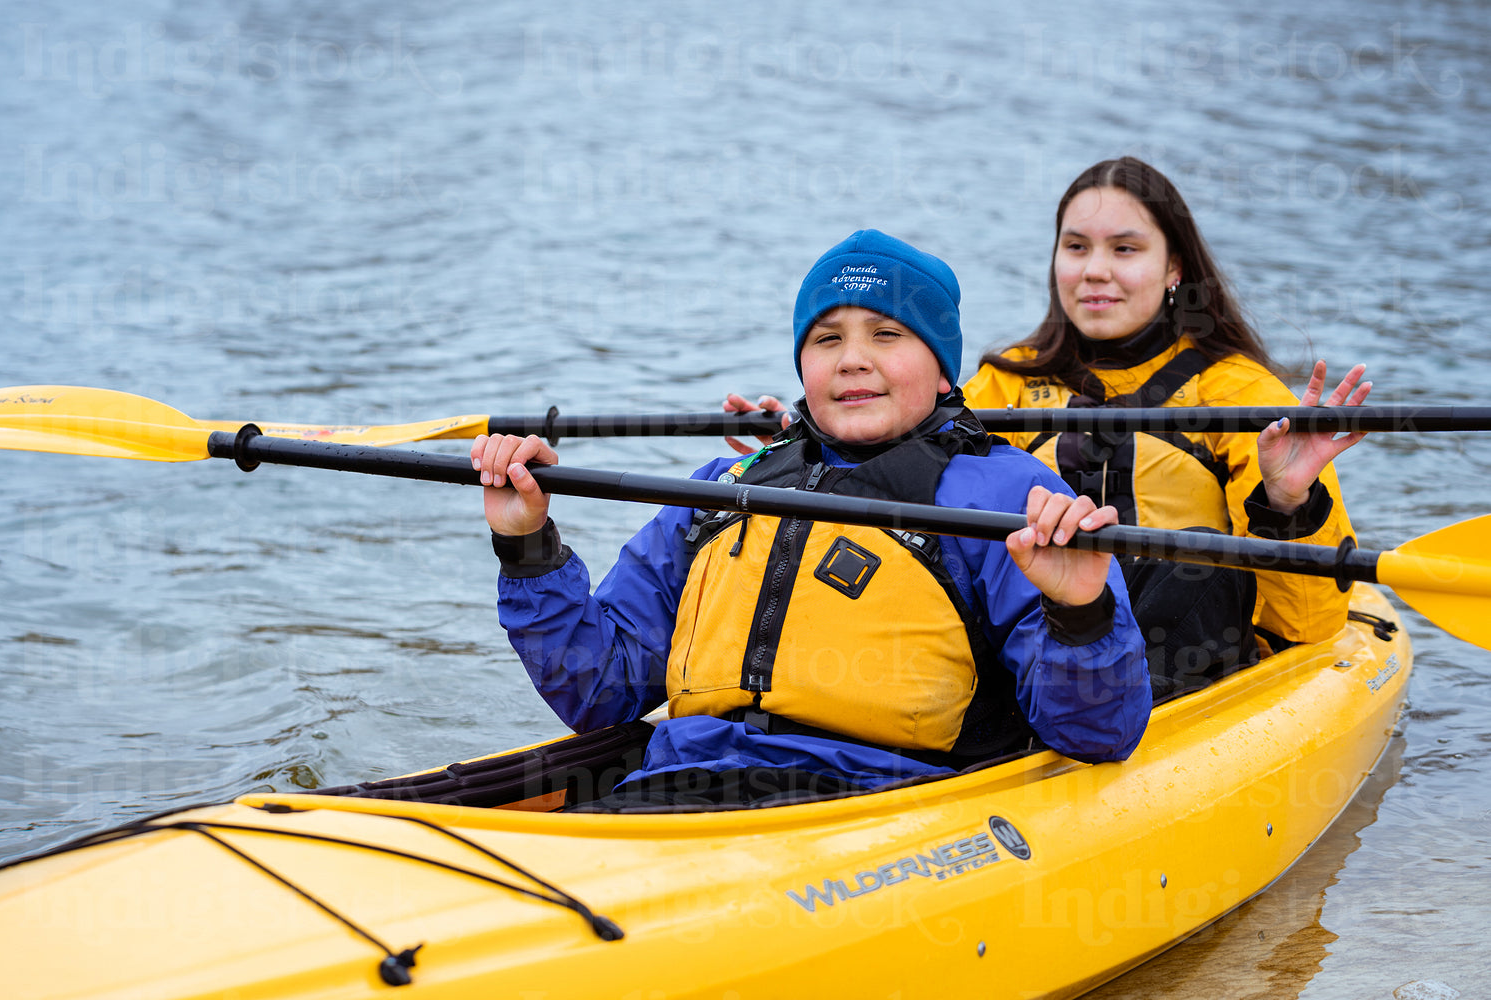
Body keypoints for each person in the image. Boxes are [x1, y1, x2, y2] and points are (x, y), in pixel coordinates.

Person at [476, 230, 1151, 810]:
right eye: (827, 338)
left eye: (887, 334)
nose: (852, 357)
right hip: (679, 788)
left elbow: (1098, 736)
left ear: (944, 373)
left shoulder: (1009, 498)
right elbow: (598, 691)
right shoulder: (724, 488)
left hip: (874, 812)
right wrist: (526, 541)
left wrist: (1081, 610)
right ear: (803, 363)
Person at [729, 160, 1368, 702]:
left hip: (1188, 656)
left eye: (1125, 249)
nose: (1093, 270)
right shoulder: (1004, 384)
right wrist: (809, 443)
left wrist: (1287, 501)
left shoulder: (1240, 395)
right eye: (1076, 247)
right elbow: (899, 467)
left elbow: (1306, 627)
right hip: (1038, 637)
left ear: (1175, 268)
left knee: (1191, 564)